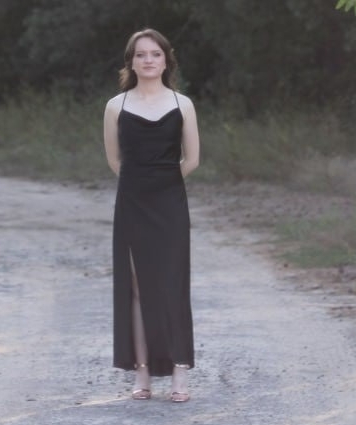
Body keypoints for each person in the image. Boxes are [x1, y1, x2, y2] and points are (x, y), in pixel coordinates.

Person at [102, 28, 200, 403]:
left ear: (165, 60)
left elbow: (191, 159)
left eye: (154, 54)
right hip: (132, 203)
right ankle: (142, 374)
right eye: (140, 54)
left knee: (173, 284)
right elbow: (114, 160)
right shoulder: (116, 106)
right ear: (131, 61)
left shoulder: (182, 104)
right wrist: (140, 184)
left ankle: (179, 372)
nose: (147, 60)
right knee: (138, 289)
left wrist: (163, 182)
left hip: (170, 202)